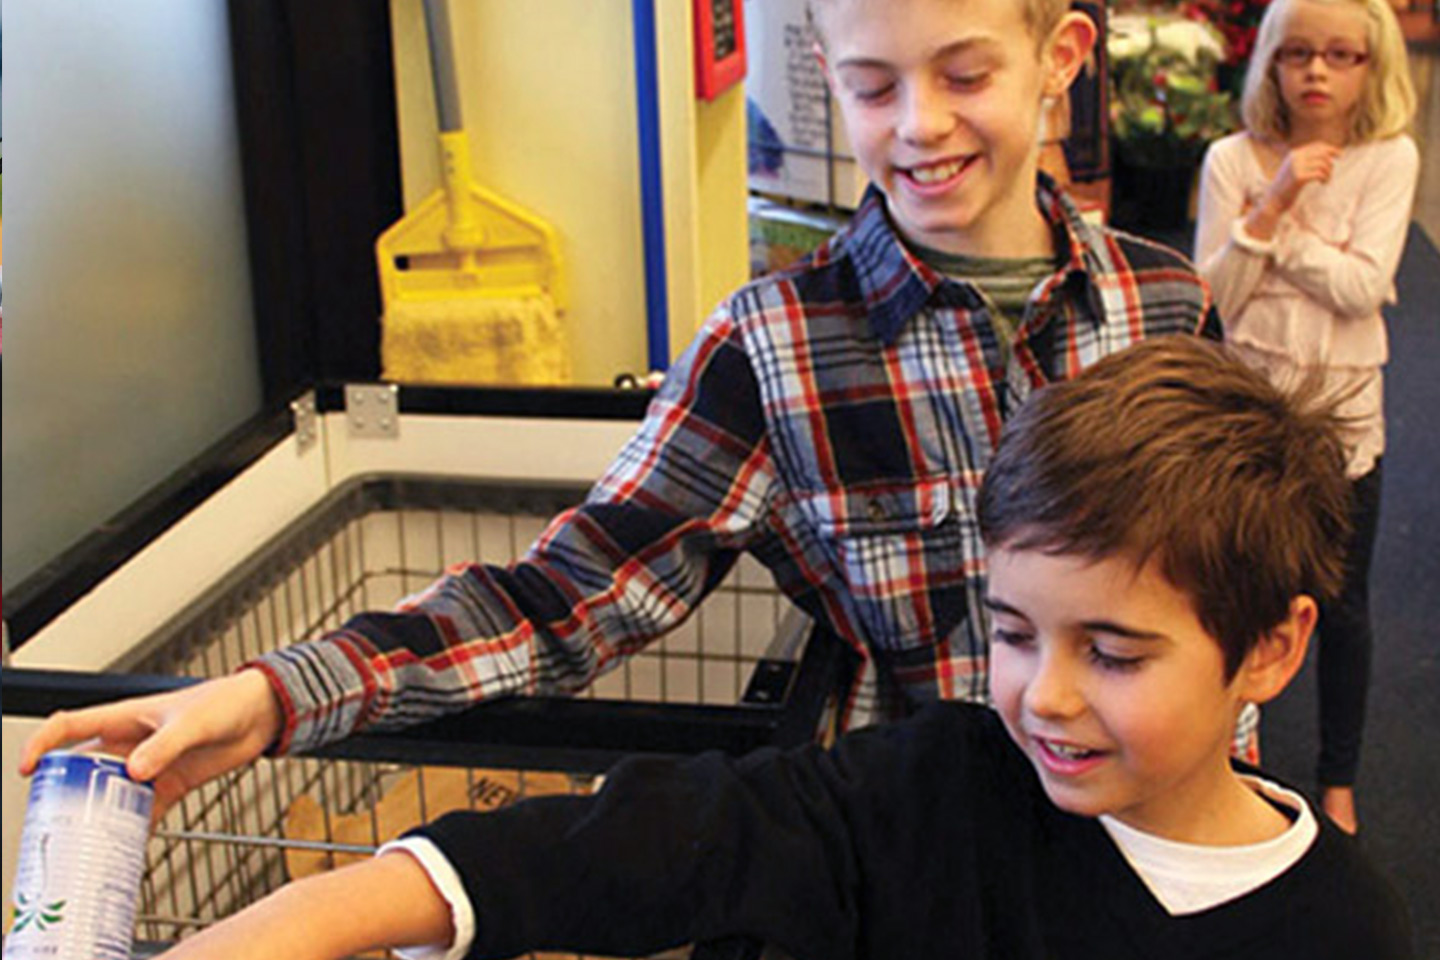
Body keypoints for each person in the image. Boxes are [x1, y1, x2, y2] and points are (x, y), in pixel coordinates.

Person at [18, 0, 1217, 818]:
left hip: (1160, 838)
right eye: (870, 85)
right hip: (919, 848)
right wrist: (276, 694)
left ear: (1060, 56)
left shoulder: (1167, 306)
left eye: (965, 73)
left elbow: (1226, 600)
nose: (919, 124)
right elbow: (561, 598)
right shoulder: (776, 347)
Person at [148, 338, 1413, 960]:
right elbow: (675, 835)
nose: (1047, 697)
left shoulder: (1345, 928)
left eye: (1118, 654)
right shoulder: (943, 786)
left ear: (1268, 650)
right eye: (1015, 634)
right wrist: (317, 911)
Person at [1192, 0, 1418, 835]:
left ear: (1372, 65)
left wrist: (1269, 230)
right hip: (1249, 410)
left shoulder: (1389, 158)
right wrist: (1278, 195)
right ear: (1271, 65)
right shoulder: (1231, 158)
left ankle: (1339, 778)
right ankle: (1221, 757)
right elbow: (1216, 299)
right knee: (1233, 586)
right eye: (1297, 54)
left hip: (1348, 411)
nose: (1317, 72)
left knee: (1341, 604)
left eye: (1342, 55)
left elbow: (1365, 290)